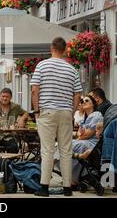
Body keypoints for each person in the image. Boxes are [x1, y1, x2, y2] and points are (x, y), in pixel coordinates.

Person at [31, 37, 82, 197]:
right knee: (66, 150)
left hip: (47, 111)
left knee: (47, 150)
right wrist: (72, 112)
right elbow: (77, 93)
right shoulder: (72, 69)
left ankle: (44, 187)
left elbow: (35, 90)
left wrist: (37, 111)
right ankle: (67, 188)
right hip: (66, 112)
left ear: (51, 48)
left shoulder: (42, 65)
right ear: (65, 49)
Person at [55, 95, 103, 186]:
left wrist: (78, 137)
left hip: (92, 144)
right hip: (85, 142)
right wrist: (78, 136)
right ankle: (71, 177)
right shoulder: (85, 118)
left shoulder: (96, 115)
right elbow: (80, 134)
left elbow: (87, 135)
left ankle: (48, 167)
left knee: (68, 145)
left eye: (87, 100)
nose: (83, 102)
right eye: (82, 101)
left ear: (93, 104)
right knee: (64, 145)